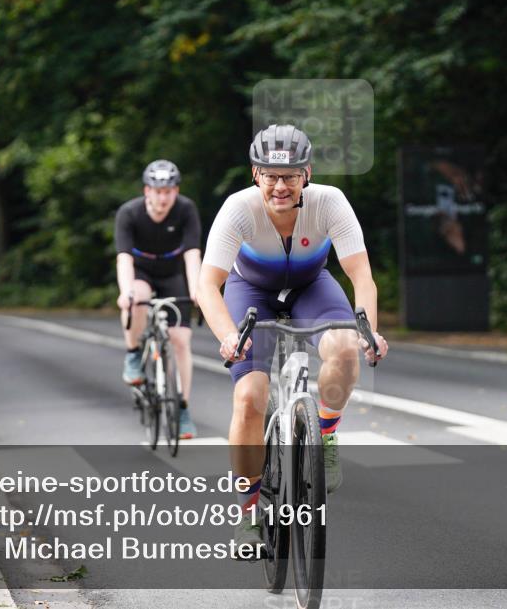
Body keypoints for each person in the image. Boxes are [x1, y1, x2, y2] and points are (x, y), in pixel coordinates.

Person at [197, 124, 389, 552]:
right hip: (250, 293)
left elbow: (361, 275)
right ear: (255, 174)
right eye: (270, 176)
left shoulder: (330, 202)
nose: (280, 186)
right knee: (250, 397)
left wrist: (368, 330)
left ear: (307, 174)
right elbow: (207, 284)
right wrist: (228, 336)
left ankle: (327, 431)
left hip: (310, 286)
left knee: (345, 349)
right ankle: (248, 514)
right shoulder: (238, 209)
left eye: (290, 176)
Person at [114, 160, 202, 439]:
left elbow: (192, 255)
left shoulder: (186, 210)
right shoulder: (129, 213)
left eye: (168, 192)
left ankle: (182, 408)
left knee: (181, 341)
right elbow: (124, 259)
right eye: (157, 191)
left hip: (172, 272)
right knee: (137, 297)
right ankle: (133, 353)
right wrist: (126, 292)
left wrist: (197, 290)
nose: (163, 198)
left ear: (176, 191)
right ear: (147, 191)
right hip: (141, 272)